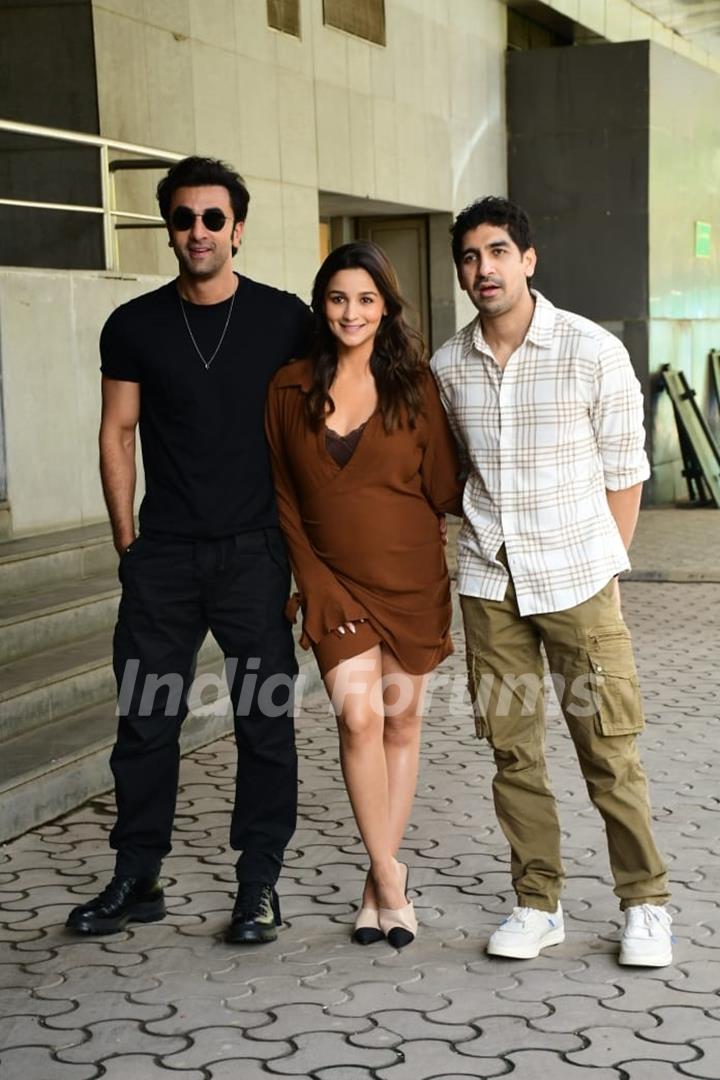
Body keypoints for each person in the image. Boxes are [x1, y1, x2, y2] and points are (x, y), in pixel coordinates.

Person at [66, 156, 313, 943]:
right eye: (183, 217)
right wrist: (128, 545)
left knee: (264, 722)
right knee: (145, 719)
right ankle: (138, 875)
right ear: (167, 227)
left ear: (238, 230)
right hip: (165, 555)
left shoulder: (285, 320)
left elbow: (314, 432)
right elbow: (117, 431)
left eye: (214, 218)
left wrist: (307, 557)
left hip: (254, 551)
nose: (198, 231)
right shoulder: (133, 325)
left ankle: (259, 884)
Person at [431, 196, 672, 967]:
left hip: (576, 578)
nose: (483, 269)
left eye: (498, 251)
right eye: (470, 257)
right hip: (488, 580)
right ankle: (538, 902)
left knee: (609, 748)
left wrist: (606, 569)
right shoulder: (446, 366)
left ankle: (645, 904)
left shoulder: (591, 351)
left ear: (528, 260)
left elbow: (625, 473)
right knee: (514, 752)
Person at [265, 241, 462, 948]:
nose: (352, 312)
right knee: (357, 721)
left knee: (401, 725)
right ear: (323, 304)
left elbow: (444, 488)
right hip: (330, 584)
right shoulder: (288, 387)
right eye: (339, 297)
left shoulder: (418, 387)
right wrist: (310, 580)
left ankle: (376, 888)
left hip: (413, 581)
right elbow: (285, 497)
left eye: (366, 299)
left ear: (386, 307)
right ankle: (390, 878)